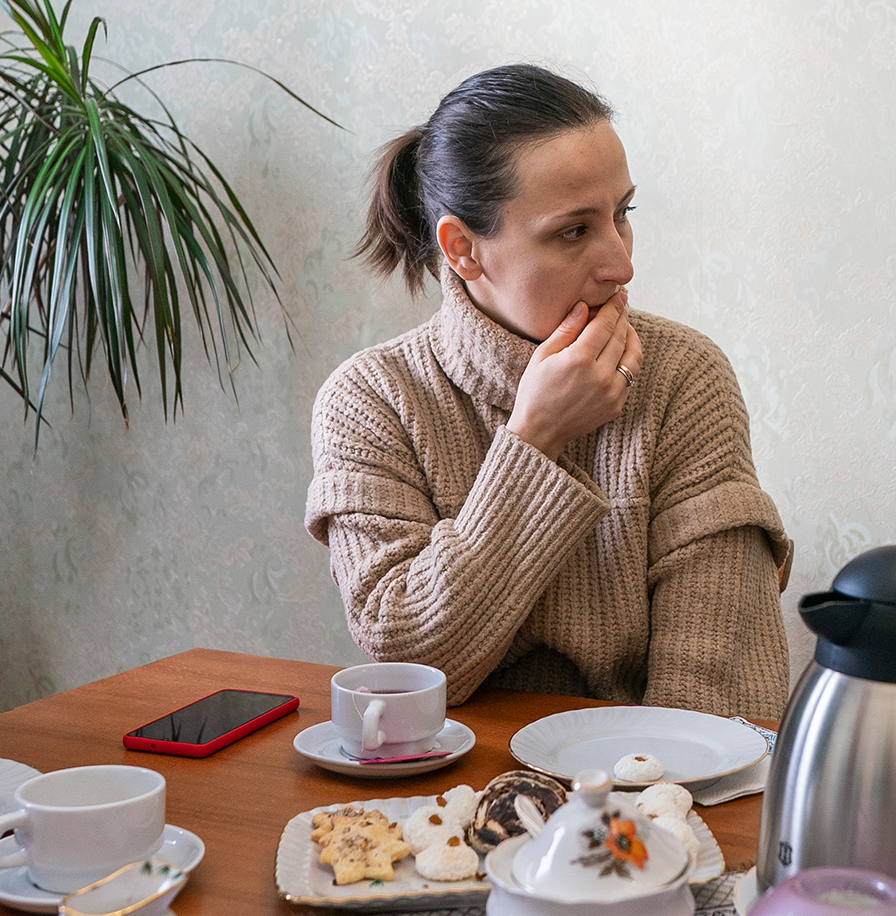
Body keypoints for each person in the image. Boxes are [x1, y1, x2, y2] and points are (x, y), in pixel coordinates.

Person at [307, 65, 793, 719]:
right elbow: (412, 664)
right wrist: (535, 440)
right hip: (448, 803)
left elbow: (710, 701)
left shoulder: (684, 377)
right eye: (573, 231)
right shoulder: (372, 400)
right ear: (463, 249)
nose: (622, 264)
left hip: (651, 798)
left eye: (622, 215)